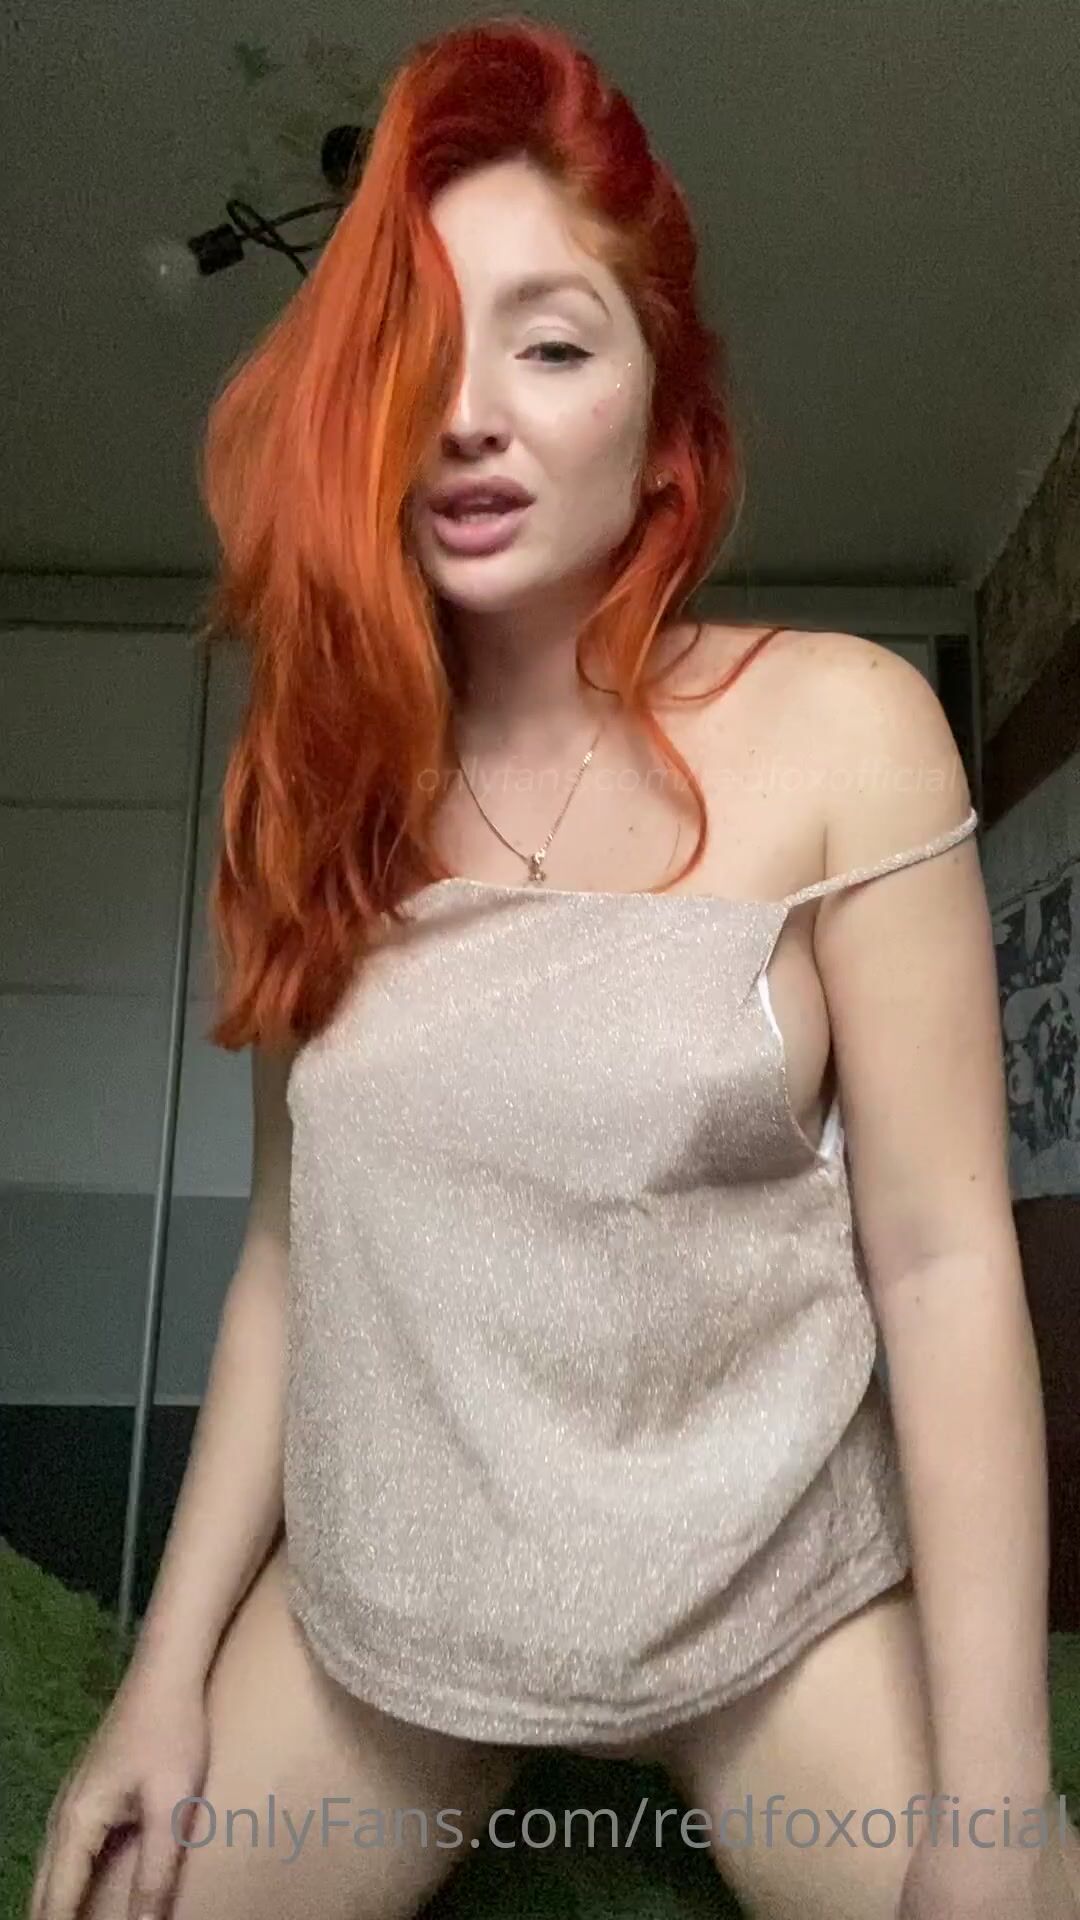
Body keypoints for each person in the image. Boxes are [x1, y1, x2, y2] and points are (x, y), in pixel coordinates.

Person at [29, 16, 1080, 1920]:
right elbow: (286, 1252)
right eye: (419, 351)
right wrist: (161, 1678)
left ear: (665, 420)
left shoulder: (847, 731)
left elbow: (941, 1263)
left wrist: (1000, 1805)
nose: (467, 415)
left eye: (553, 343)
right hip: (389, 1604)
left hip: (774, 1599)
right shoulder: (315, 781)